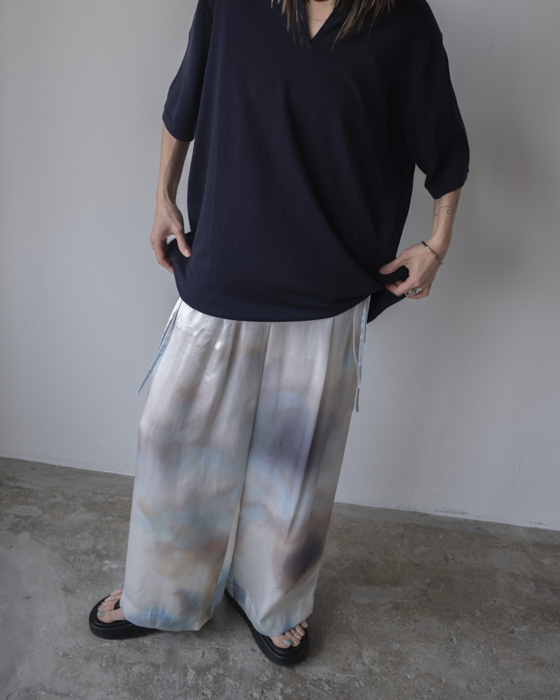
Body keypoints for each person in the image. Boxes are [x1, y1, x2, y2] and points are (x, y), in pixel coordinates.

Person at [88, 0, 469, 665]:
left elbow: (443, 142)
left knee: (296, 463)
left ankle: (273, 599)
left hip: (328, 280)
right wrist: (163, 195)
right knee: (172, 434)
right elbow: (186, 97)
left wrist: (438, 243)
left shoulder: (402, 20)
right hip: (226, 263)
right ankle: (163, 592)